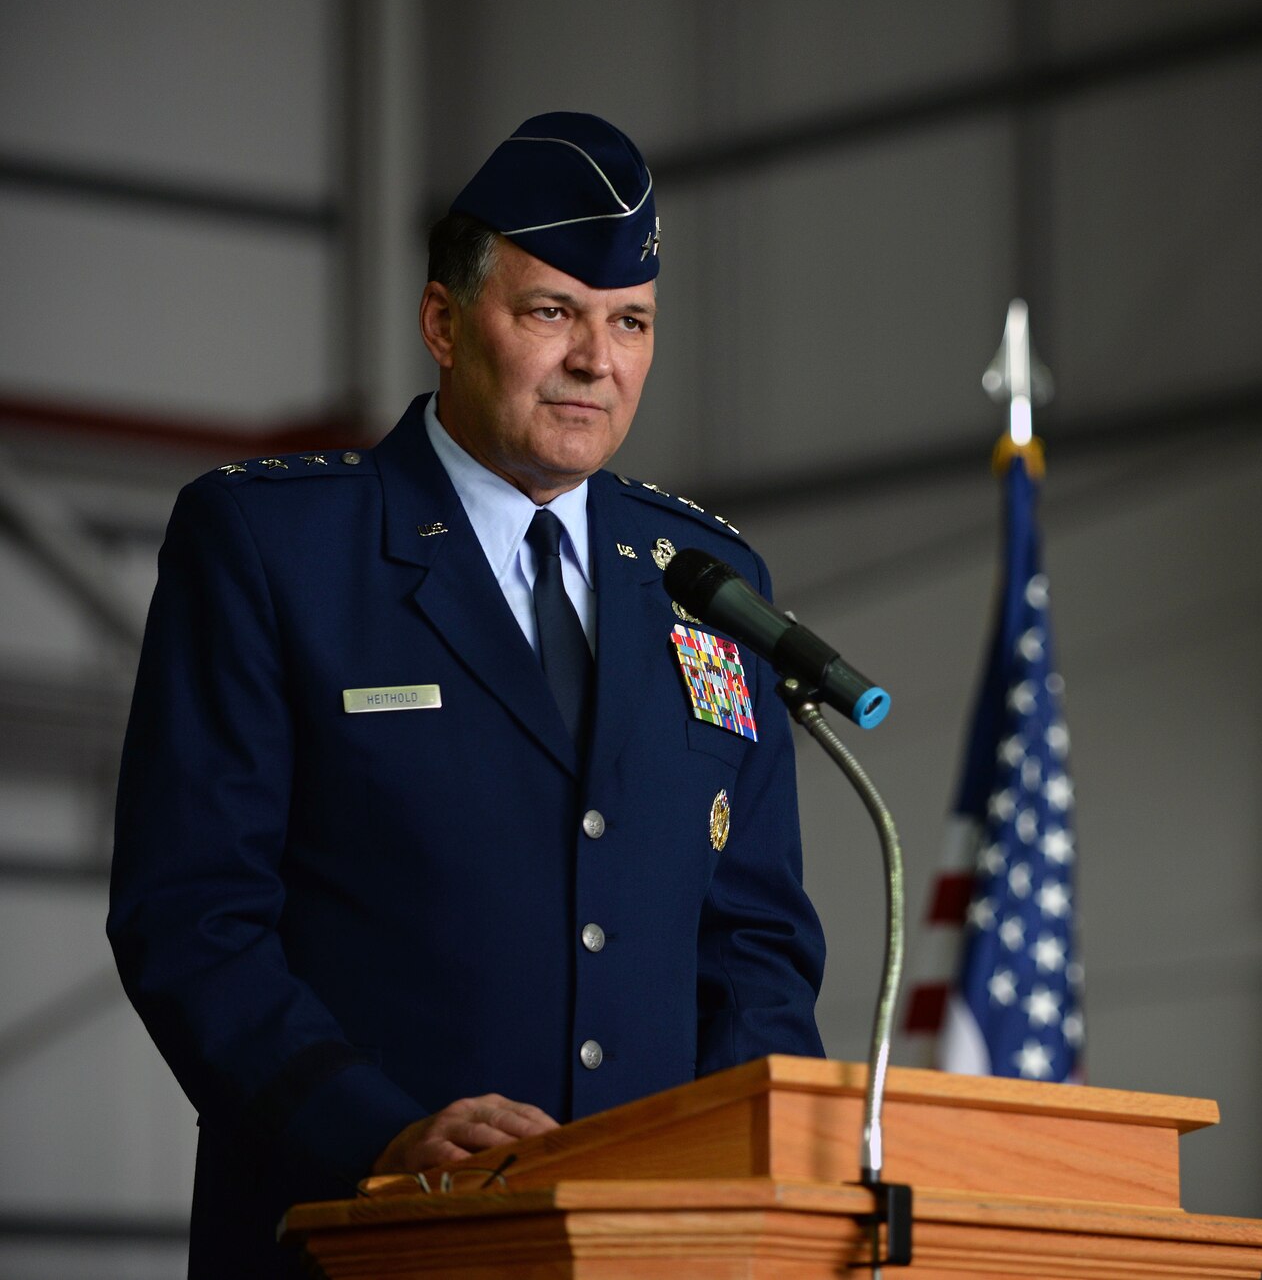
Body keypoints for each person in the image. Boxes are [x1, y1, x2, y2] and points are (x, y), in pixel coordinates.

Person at [108, 111, 825, 1277]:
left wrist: (731, 1194)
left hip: (654, 1254)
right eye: (552, 313)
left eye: (630, 322)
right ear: (443, 322)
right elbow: (191, 916)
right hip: (359, 1238)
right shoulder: (274, 546)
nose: (597, 360)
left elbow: (757, 944)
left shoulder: (707, 583)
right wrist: (376, 1133)